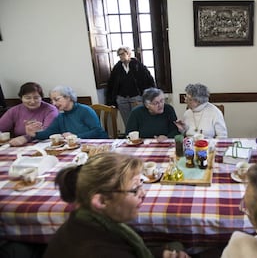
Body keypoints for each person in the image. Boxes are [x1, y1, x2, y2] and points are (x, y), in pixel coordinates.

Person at [43, 153, 190, 258]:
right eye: (134, 189)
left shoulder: (85, 221)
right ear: (101, 201)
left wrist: (161, 254)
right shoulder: (98, 251)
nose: (143, 194)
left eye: (141, 184)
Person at [26, 85, 108, 140]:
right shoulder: (60, 117)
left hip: (97, 145)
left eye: (57, 99)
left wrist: (75, 136)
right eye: (52, 101)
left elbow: (97, 131)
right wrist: (34, 134)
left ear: (68, 97)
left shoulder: (85, 110)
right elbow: (50, 132)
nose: (53, 103)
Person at [106, 46, 156, 126]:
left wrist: (149, 96)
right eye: (119, 55)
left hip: (136, 97)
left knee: (139, 118)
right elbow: (111, 84)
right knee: (127, 121)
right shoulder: (117, 68)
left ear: (128, 54)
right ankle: (130, 135)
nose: (120, 56)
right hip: (122, 98)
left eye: (122, 54)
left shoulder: (138, 66)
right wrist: (111, 100)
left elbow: (148, 80)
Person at [0, 82, 58, 146]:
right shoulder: (14, 110)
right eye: (28, 98)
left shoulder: (50, 110)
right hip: (18, 146)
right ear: (21, 98)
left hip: (44, 144)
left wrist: (26, 138)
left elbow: (48, 132)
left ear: (41, 98)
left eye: (36, 98)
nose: (32, 101)